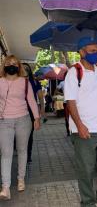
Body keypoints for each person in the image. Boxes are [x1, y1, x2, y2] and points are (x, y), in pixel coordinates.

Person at [65, 37, 97, 207]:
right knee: (86, 170)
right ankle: (87, 202)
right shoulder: (74, 72)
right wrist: (79, 125)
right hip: (84, 130)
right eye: (92, 51)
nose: (96, 54)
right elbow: (70, 102)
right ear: (81, 52)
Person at [0, 55, 40, 200]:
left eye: (14, 63)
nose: (11, 65)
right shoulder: (0, 82)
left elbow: (31, 100)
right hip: (4, 122)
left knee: (22, 150)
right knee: (6, 153)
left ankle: (21, 179)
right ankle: (5, 188)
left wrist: (36, 118)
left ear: (19, 67)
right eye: (9, 63)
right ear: (4, 65)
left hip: (23, 120)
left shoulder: (25, 82)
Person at [22, 63, 45, 163]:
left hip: (31, 111)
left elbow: (40, 97)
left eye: (26, 69)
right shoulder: (15, 81)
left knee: (29, 134)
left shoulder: (34, 82)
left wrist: (42, 109)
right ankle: (23, 152)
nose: (25, 70)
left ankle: (28, 155)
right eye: (23, 69)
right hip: (19, 111)